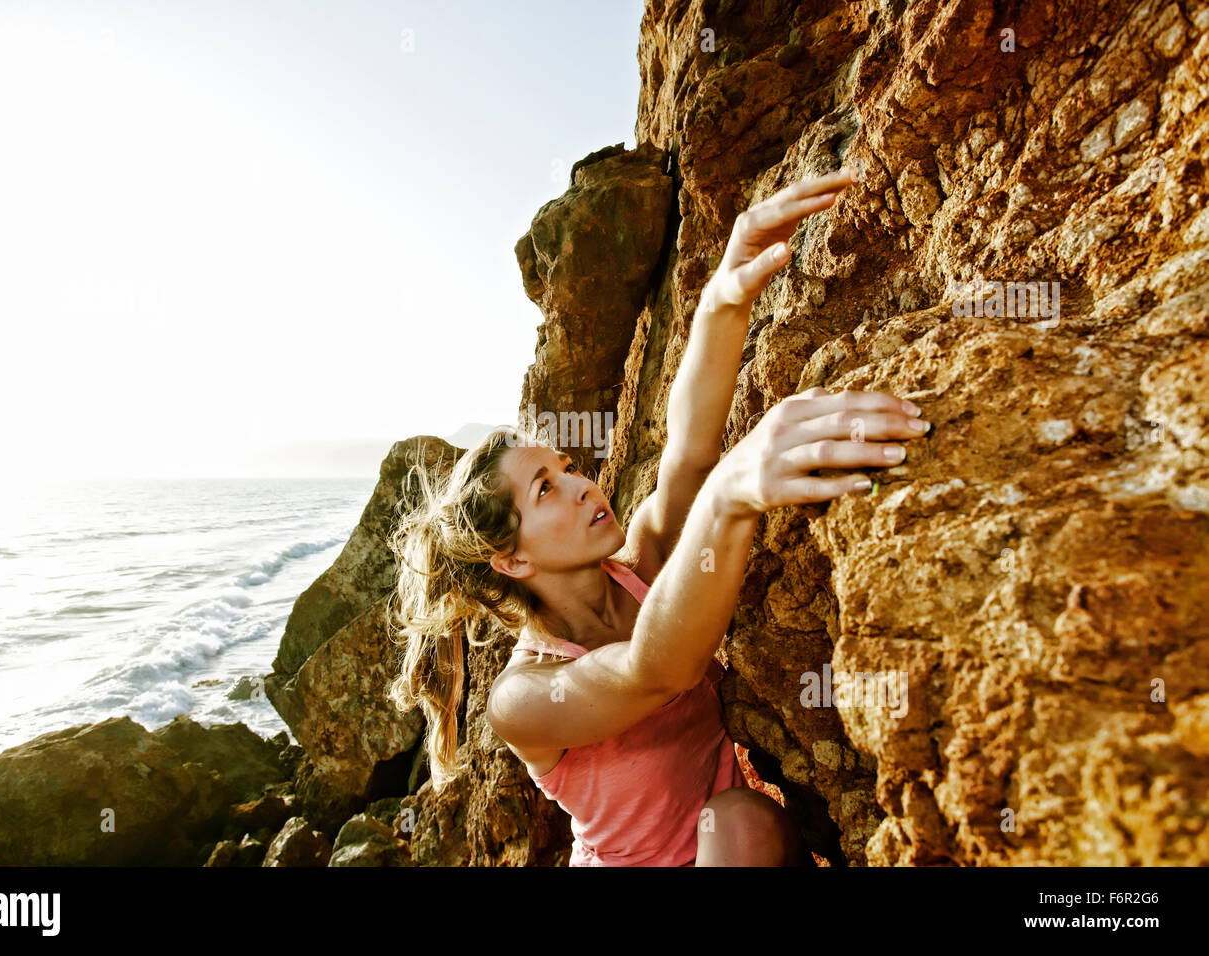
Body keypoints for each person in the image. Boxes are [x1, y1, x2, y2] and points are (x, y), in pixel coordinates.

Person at [386, 166, 932, 865]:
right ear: (512, 560)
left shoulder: (640, 566)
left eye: (569, 469)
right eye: (546, 491)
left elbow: (687, 454)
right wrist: (733, 492)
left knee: (742, 820)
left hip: (733, 849)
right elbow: (655, 670)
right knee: (739, 820)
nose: (584, 486)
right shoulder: (521, 699)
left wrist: (724, 299)